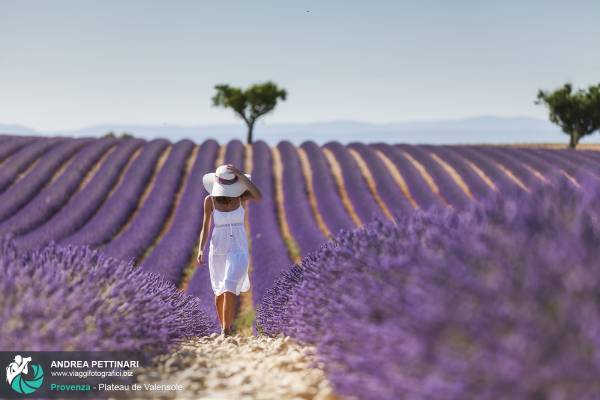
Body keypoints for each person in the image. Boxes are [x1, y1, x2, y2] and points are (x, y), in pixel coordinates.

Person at [196, 164, 262, 336]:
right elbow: (205, 227)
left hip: (238, 247)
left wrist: (242, 176)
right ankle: (222, 325)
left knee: (229, 285)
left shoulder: (241, 196)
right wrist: (200, 249)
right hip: (218, 248)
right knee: (219, 291)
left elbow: (259, 196)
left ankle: (226, 329)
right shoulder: (209, 200)